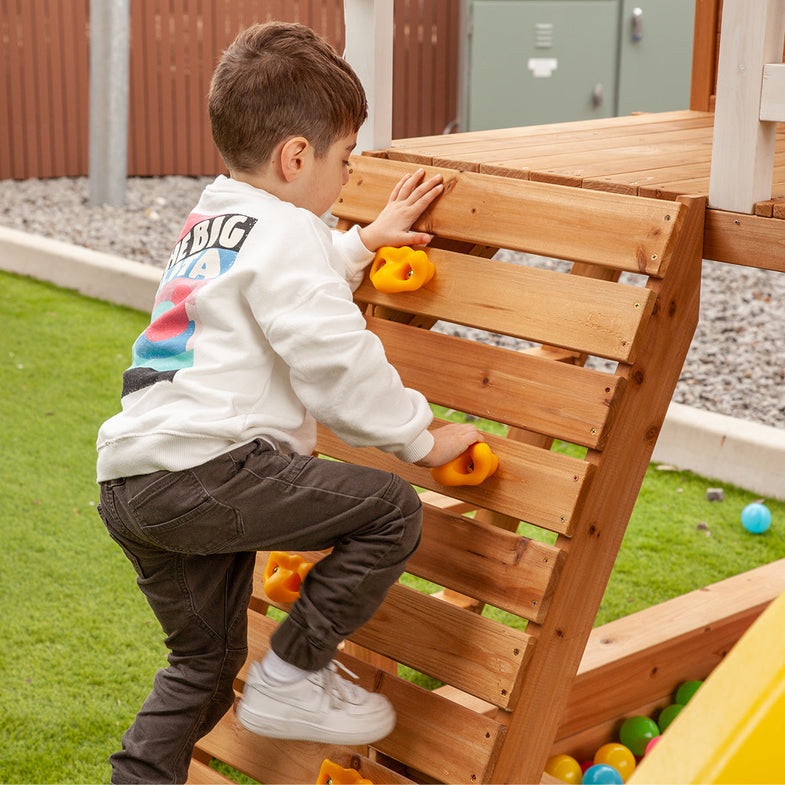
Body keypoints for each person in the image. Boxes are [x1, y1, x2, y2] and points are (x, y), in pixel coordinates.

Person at [96, 20, 482, 784]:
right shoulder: (291, 234)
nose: (348, 176)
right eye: (344, 158)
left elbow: (272, 290)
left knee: (203, 664)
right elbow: (334, 358)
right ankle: (294, 673)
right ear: (295, 156)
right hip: (206, 468)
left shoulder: (214, 218)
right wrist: (420, 436)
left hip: (132, 479)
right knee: (390, 510)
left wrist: (361, 242)